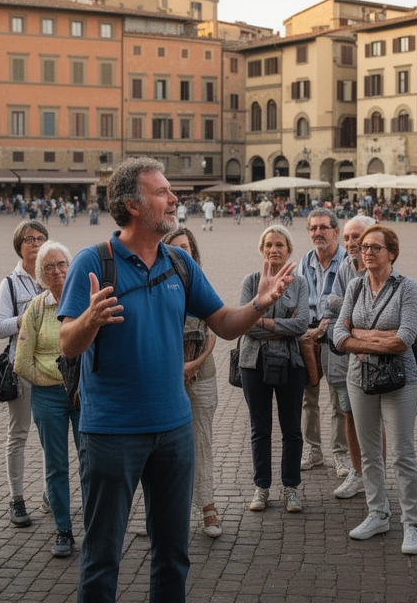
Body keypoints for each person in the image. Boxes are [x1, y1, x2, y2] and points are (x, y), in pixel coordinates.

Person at [57, 157, 296, 603]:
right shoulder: (94, 262)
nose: (174, 199)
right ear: (132, 204)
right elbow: (67, 344)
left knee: (173, 553)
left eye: (171, 192)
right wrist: (89, 318)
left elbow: (224, 323)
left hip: (173, 429)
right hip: (111, 433)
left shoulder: (179, 263)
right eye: (162, 192)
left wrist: (260, 304)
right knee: (102, 556)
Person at [333, 225, 417, 555]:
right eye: (364, 247)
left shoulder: (407, 287)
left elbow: (405, 339)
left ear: (392, 253)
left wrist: (361, 336)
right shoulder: (355, 287)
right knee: (370, 453)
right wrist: (371, 338)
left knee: (402, 454)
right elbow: (338, 338)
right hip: (359, 379)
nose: (367, 252)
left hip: (400, 380)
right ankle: (378, 513)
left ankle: (411, 523)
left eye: (376, 247)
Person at [15, 240, 85, 558]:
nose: (57, 271)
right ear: (41, 275)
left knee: (92, 461)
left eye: (62, 264)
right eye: (49, 267)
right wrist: (53, 381)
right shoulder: (36, 308)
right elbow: (21, 361)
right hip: (48, 397)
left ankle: (98, 527)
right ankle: (63, 530)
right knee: (55, 466)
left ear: (71, 268)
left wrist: (79, 383)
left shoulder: (84, 303)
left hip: (84, 394)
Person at [237, 224, 311, 513]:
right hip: (253, 363)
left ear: (289, 250)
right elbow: (245, 324)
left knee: (292, 428)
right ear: (261, 249)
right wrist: (282, 326)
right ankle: (262, 487)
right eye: (268, 245)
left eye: (280, 245)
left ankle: (291, 487)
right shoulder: (251, 280)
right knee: (260, 428)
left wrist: (263, 321)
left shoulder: (300, 283)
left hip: (291, 363)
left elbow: (302, 324)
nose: (274, 250)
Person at [163, 228, 222, 538]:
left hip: (202, 373)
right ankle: (163, 512)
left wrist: (195, 363)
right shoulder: (158, 285)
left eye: (186, 248)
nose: (181, 254)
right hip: (166, 375)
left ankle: (208, 508)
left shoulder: (200, 282)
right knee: (163, 446)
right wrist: (177, 367)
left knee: (202, 441)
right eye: (175, 249)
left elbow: (214, 331)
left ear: (193, 252)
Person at [0, 220, 49, 526]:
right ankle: (17, 498)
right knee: (18, 434)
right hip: (23, 366)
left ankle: (49, 493)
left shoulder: (54, 275)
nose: (35, 243)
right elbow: (0, 326)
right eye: (29, 239)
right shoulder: (11, 283)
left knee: (49, 437)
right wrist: (27, 318)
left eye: (41, 238)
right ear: (19, 245)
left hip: (53, 367)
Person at [325, 215, 374, 500]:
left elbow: (373, 310)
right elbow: (330, 302)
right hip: (348, 355)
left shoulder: (379, 265)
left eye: (357, 236)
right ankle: (357, 472)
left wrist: (350, 310)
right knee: (350, 414)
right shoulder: (345, 266)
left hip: (373, 357)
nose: (351, 243)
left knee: (372, 418)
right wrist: (354, 309)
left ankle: (373, 473)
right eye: (347, 238)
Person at [298, 209, 347, 477]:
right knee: (309, 398)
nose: (318, 232)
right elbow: (298, 297)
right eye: (313, 228)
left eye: (323, 227)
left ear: (335, 231)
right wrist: (308, 328)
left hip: (336, 336)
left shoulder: (347, 261)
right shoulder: (304, 261)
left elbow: (351, 302)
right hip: (308, 336)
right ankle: (314, 450)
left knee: (339, 399)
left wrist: (325, 325)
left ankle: (340, 453)